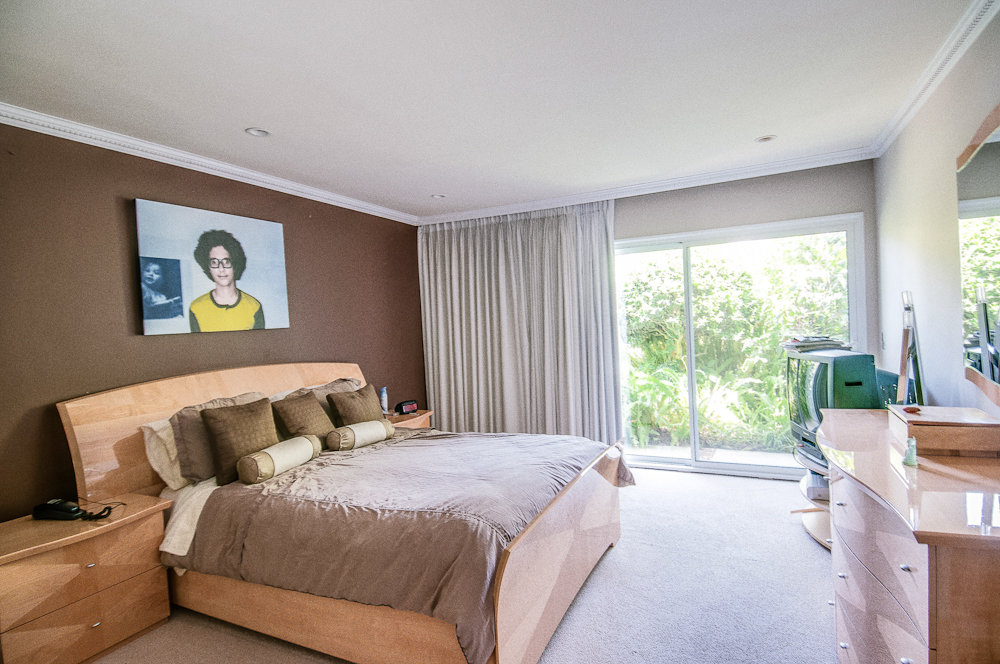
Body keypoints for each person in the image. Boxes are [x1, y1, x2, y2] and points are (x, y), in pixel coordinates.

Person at [189, 229, 265, 332]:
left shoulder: (254, 307)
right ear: (208, 268)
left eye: (226, 262)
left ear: (235, 265)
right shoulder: (196, 308)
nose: (221, 269)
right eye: (214, 262)